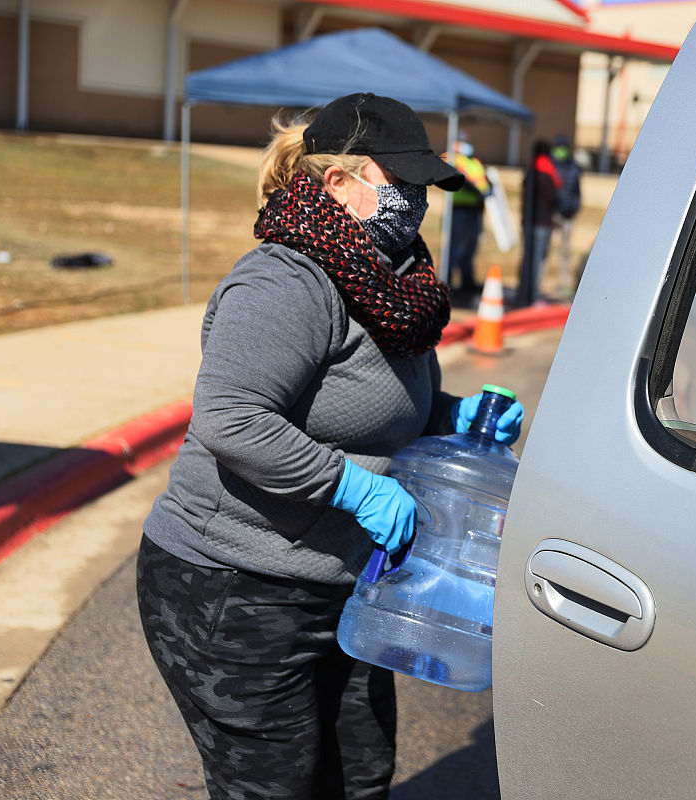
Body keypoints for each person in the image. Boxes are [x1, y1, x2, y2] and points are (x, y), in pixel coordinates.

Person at [135, 92, 525, 800]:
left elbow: (369, 409)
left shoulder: (392, 280)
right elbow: (232, 417)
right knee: (280, 787)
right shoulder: (286, 280)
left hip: (341, 586)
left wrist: (454, 415)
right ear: (338, 181)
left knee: (360, 774)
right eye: (399, 181)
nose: (416, 199)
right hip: (233, 588)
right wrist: (355, 487)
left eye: (422, 185)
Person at [446, 131, 491, 298]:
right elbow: (462, 180)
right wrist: (476, 190)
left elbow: (483, 180)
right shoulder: (453, 160)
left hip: (475, 209)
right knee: (457, 245)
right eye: (462, 142)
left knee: (471, 246)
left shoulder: (475, 162)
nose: (465, 145)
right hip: (460, 209)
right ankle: (448, 279)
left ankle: (467, 281)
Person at [519, 139, 561, 306]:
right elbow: (553, 197)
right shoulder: (546, 171)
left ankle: (524, 295)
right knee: (536, 261)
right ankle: (533, 296)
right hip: (541, 223)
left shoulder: (530, 170)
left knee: (528, 259)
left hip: (529, 222)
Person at [551, 134, 583, 299]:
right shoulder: (550, 166)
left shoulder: (573, 168)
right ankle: (540, 284)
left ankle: (563, 283)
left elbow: (577, 192)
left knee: (565, 251)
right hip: (553, 214)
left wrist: (575, 208)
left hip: (568, 215)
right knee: (545, 250)